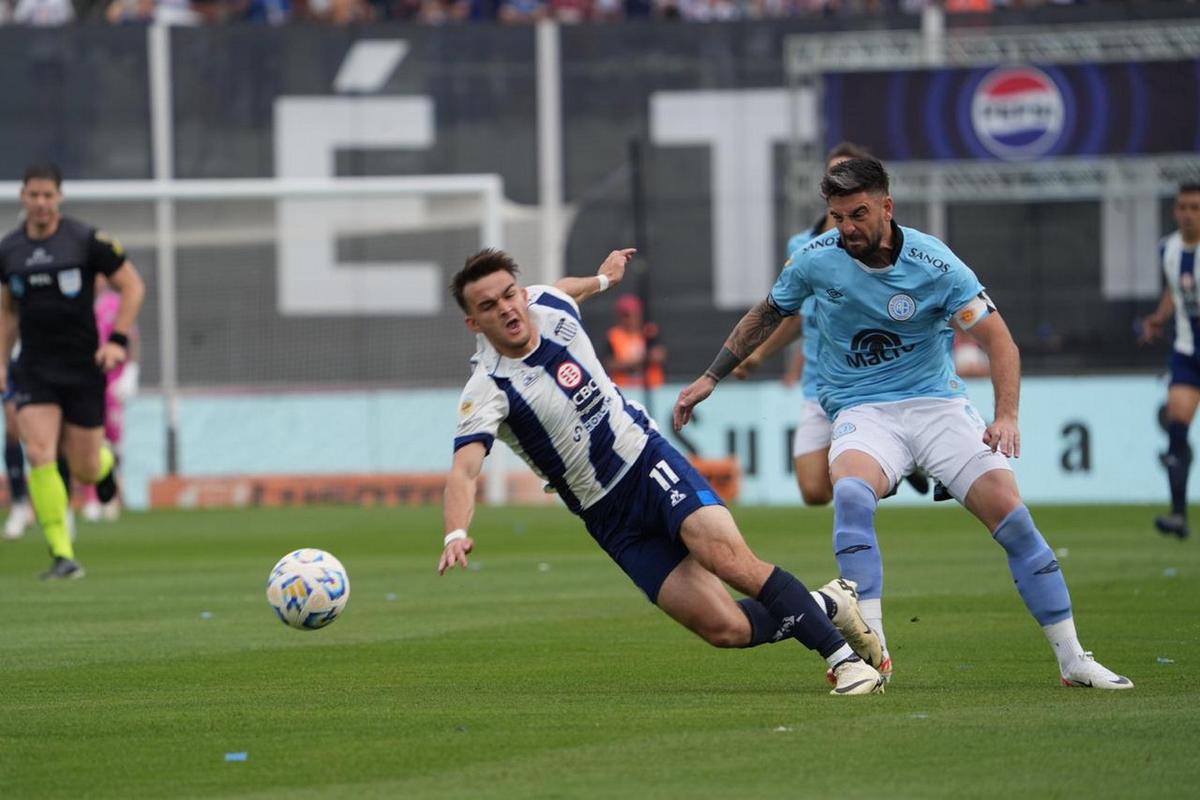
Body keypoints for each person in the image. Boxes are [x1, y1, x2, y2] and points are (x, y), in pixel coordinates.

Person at [674, 157, 1132, 690]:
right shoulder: (814, 260)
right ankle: (875, 654)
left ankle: (1073, 659)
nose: (846, 228)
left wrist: (1006, 414)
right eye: (837, 216)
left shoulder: (936, 264)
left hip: (937, 406)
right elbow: (767, 314)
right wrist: (712, 377)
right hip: (863, 410)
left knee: (1013, 516)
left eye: (858, 214)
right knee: (848, 494)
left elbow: (999, 341)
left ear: (887, 207)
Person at [439, 247, 886, 696]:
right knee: (725, 628)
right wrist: (456, 533)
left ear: (520, 291)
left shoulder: (545, 304)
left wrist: (604, 280)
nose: (507, 308)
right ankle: (828, 603)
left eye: (509, 294)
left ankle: (845, 661)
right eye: (488, 306)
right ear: (474, 324)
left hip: (646, 462)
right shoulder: (488, 390)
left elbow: (563, 289)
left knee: (730, 561)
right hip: (607, 517)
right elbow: (464, 470)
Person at [734, 141, 927, 506]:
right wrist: (760, 354)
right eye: (835, 172)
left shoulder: (878, 240)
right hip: (818, 382)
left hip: (864, 379)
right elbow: (797, 313)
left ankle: (893, 462)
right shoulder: (803, 246)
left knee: (853, 475)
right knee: (813, 491)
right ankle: (895, 466)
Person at [0, 163, 145, 579]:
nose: (41, 203)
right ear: (23, 198)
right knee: (41, 453)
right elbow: (7, 312)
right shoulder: (9, 249)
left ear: (59, 197)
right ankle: (63, 555)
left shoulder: (86, 240)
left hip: (82, 367)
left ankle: (103, 468)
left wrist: (116, 341)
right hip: (34, 369)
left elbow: (133, 286)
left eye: (49, 195)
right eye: (34, 195)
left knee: (83, 467)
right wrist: (2, 363)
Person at [1138, 182, 1200, 541]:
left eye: (1195, 207)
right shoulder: (1169, 249)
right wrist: (1159, 318)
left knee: (1177, 439)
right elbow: (1175, 292)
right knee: (1177, 428)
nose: (1188, 213)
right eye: (1183, 207)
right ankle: (1178, 514)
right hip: (1188, 354)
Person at [82, 275, 139, 522]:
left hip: (112, 384)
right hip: (84, 384)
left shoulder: (115, 305)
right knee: (88, 442)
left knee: (114, 445)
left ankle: (112, 495)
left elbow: (133, 339)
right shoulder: (77, 305)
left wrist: (131, 373)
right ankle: (91, 498)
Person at [605, 294, 666, 390]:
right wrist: (640, 361)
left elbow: (659, 355)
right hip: (625, 389)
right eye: (626, 315)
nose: (632, 319)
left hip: (652, 388)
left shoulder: (650, 331)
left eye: (635, 314)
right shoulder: (613, 335)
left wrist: (630, 362)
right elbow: (610, 364)